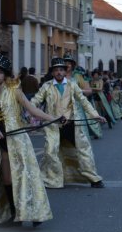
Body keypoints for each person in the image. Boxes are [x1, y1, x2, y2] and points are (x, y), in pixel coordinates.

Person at [0, 54, 58, 227]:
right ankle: (14, 214)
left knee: (26, 176)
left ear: (5, 74)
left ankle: (35, 213)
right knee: (7, 180)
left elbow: (33, 110)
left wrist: (54, 118)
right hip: (1, 142)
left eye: (0, 72)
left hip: (18, 140)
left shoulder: (15, 91)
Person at [31, 58, 107, 189]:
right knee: (51, 151)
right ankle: (53, 179)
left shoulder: (72, 85)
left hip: (71, 124)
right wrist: (32, 114)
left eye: (61, 69)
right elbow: (35, 101)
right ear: (52, 73)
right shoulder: (46, 86)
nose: (59, 72)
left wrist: (95, 115)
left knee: (83, 151)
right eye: (56, 70)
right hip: (53, 125)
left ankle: (94, 179)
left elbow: (83, 101)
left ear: (65, 72)